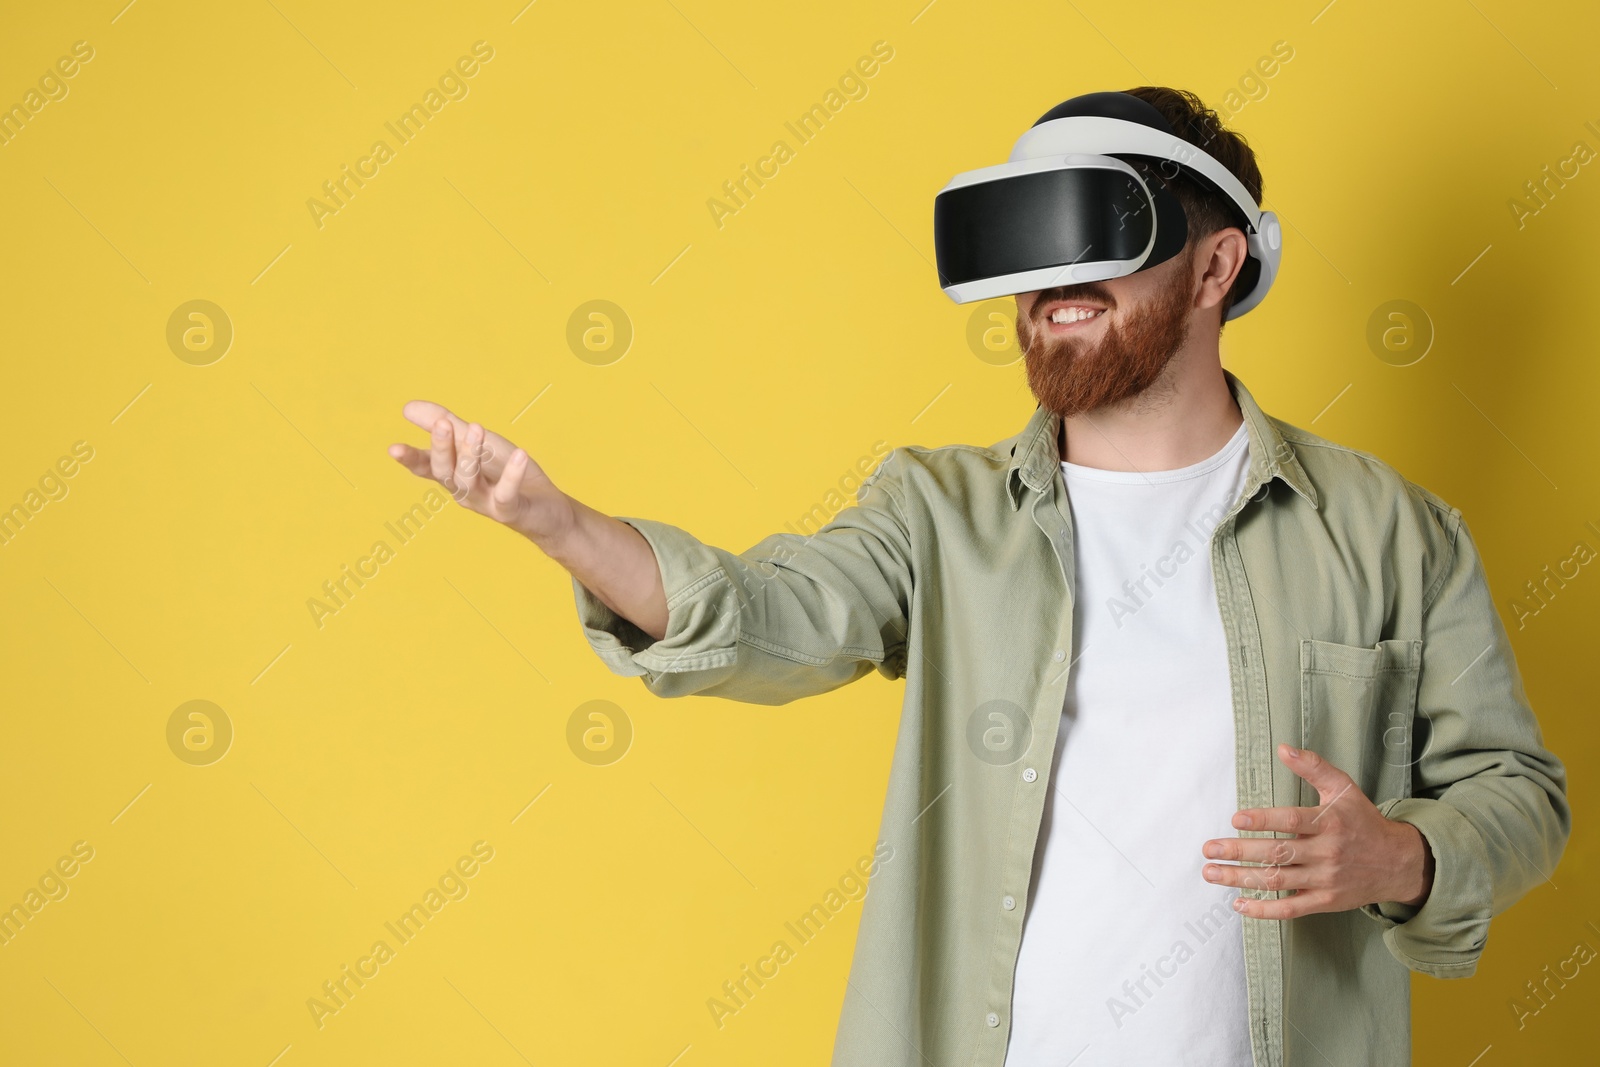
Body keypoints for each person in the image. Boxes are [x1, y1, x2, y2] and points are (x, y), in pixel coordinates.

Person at [387, 86, 1569, 1067]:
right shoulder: (937, 512)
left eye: (1095, 241)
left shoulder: (1389, 530)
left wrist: (1402, 857)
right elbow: (766, 615)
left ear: (1215, 269)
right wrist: (562, 524)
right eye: (1027, 252)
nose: (1049, 290)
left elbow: (1517, 786)